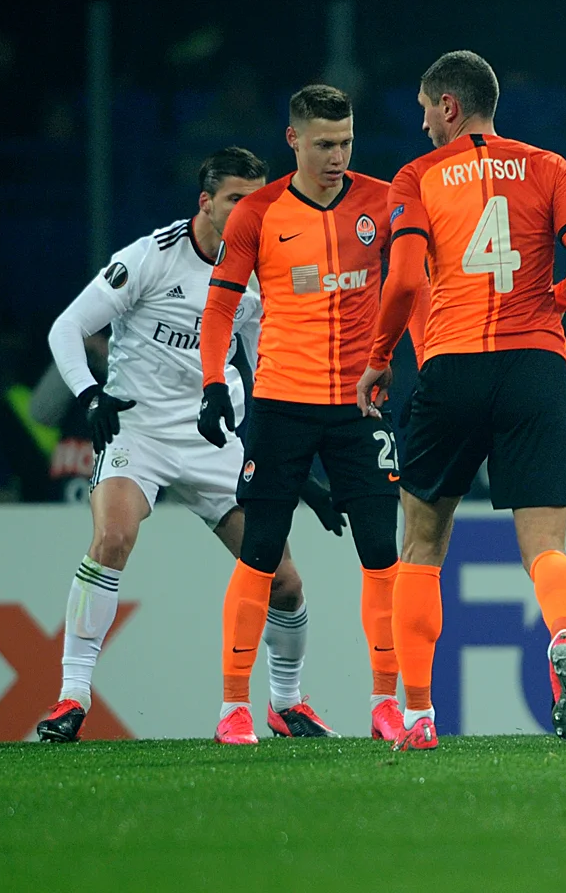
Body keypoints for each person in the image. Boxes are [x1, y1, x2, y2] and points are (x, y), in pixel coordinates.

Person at [356, 50, 566, 751]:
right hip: (536, 365)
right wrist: (552, 304)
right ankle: (564, 634)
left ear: (449, 104)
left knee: (422, 545)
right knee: (545, 547)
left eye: (424, 109)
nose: (421, 124)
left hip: (453, 362)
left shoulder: (416, 176)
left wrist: (379, 360)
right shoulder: (549, 166)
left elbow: (405, 281)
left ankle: (419, 716)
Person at [36, 148, 321, 742]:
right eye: (236, 200)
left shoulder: (260, 271)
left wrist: (287, 449)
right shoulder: (151, 257)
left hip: (213, 437)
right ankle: (72, 695)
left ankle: (287, 703)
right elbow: (67, 327)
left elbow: (269, 363)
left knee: (284, 580)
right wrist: (91, 396)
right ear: (206, 203)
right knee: (112, 539)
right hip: (138, 431)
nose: (249, 213)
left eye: (258, 201)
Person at [199, 86, 404, 746]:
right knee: (260, 551)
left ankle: (386, 703)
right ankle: (234, 706)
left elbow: (416, 286)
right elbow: (220, 307)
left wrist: (424, 360)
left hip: (359, 405)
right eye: (324, 144)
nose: (337, 157)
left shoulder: (384, 202)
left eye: (346, 143)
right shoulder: (257, 213)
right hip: (282, 403)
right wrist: (212, 382)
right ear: (293, 140)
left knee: (382, 552)